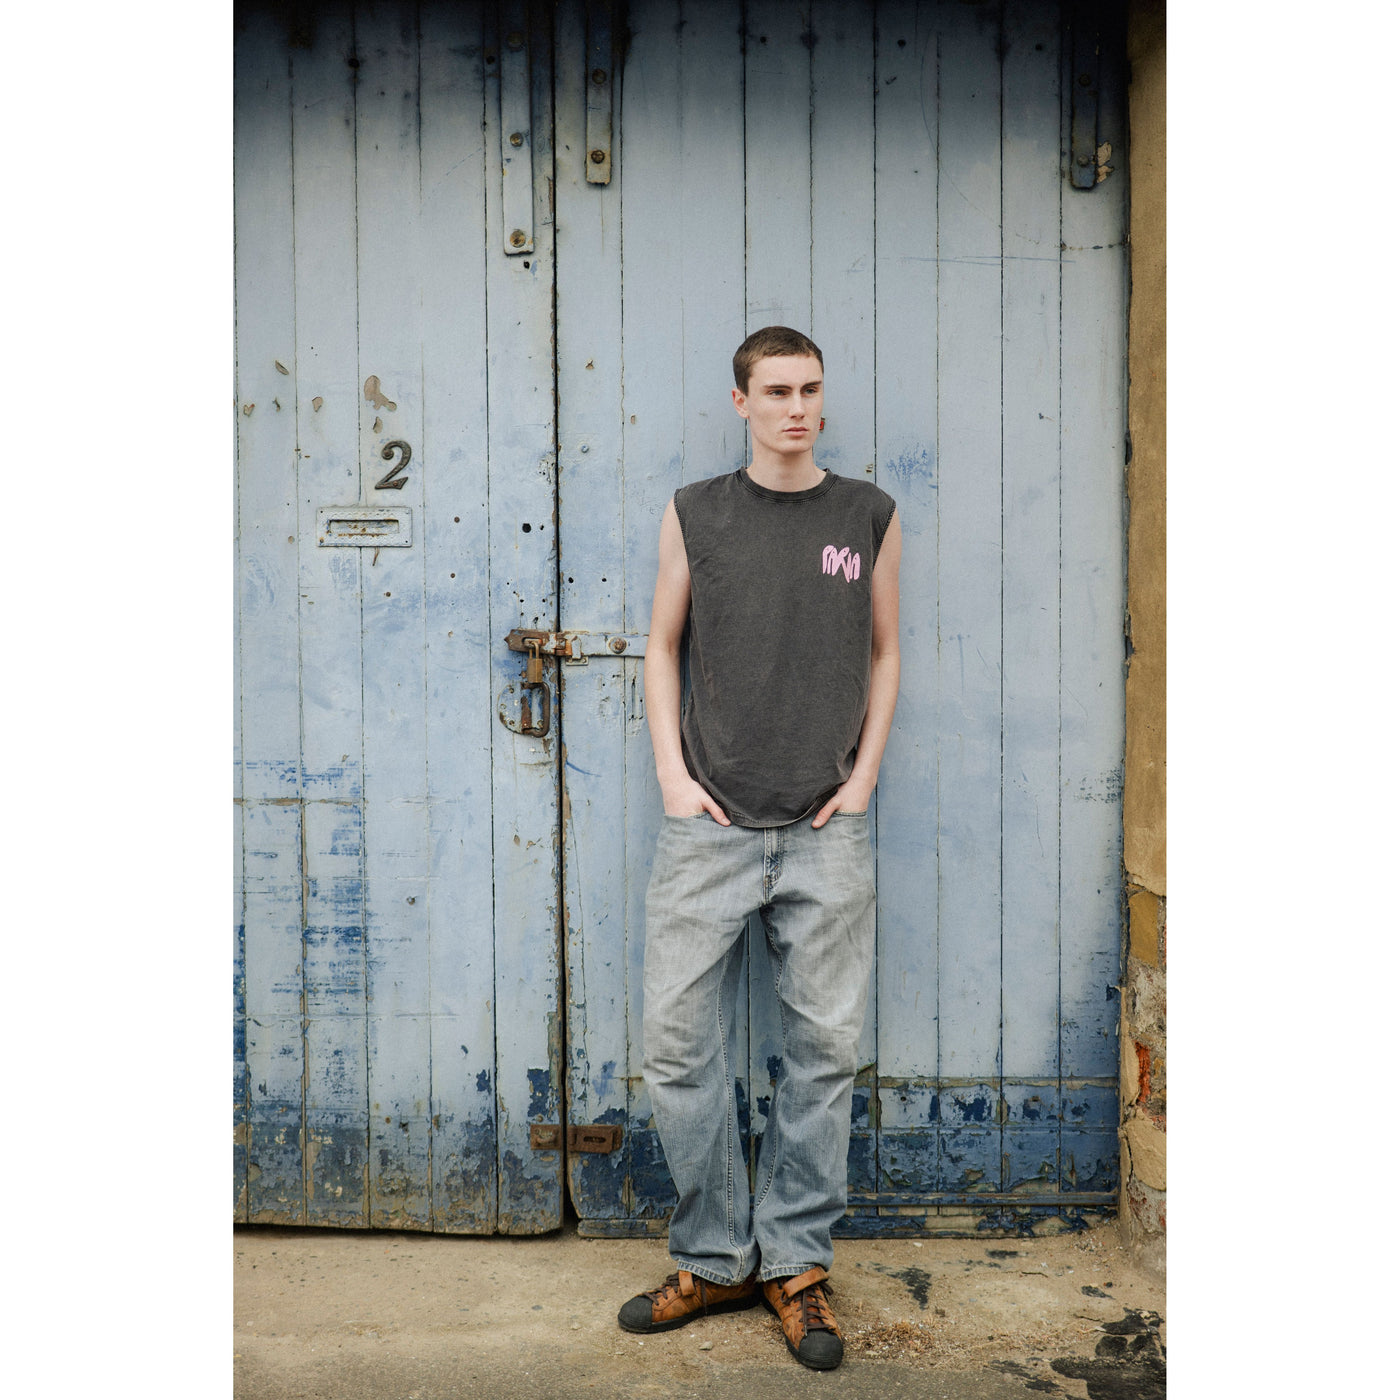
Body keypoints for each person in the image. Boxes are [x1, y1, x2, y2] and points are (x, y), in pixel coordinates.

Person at [616, 327, 902, 1371]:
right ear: (739, 400)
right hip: (711, 830)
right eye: (774, 390)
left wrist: (861, 777)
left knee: (821, 1053)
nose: (795, 406)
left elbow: (883, 648)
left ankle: (792, 1262)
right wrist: (671, 780)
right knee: (679, 1047)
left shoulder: (864, 512)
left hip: (828, 826)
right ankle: (711, 1254)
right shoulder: (698, 511)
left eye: (809, 388)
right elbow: (660, 645)